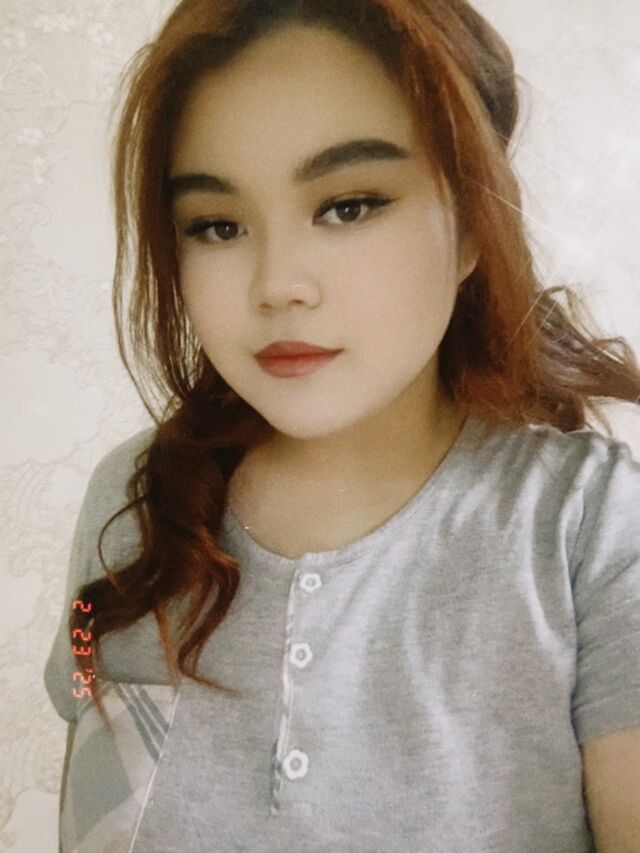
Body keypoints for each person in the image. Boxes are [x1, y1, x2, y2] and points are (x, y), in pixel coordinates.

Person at [43, 0, 640, 851]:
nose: (278, 283)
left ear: (474, 223)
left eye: (349, 206)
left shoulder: (592, 527)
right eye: (217, 225)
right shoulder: (134, 498)